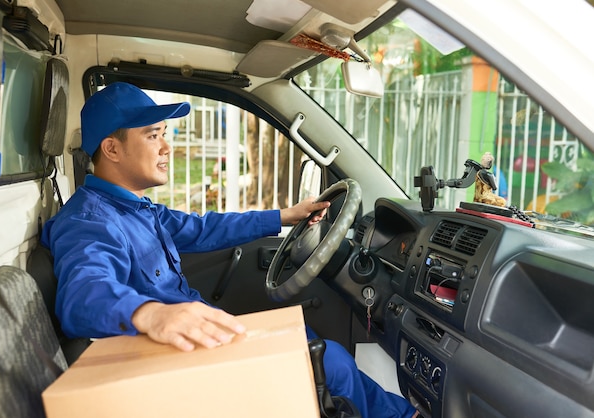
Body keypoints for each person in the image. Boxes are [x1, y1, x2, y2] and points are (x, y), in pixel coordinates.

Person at [41, 82, 418, 418]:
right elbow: (81, 296)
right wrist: (151, 314)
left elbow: (206, 229)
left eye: (165, 134)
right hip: (174, 362)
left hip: (198, 342)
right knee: (330, 361)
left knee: (311, 343)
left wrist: (286, 216)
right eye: (154, 135)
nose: (168, 147)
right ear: (112, 148)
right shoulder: (90, 222)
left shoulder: (139, 209)